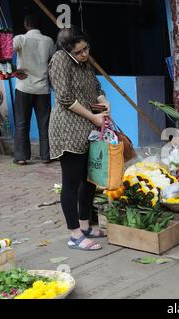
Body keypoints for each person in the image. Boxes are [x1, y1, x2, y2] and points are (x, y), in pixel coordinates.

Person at [48, 26, 111, 251]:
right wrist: (93, 117)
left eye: (86, 49)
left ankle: (85, 225)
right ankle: (74, 234)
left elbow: (95, 88)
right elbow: (65, 98)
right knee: (72, 183)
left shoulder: (84, 63)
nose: (84, 54)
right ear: (67, 51)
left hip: (88, 129)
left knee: (90, 179)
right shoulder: (60, 60)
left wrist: (104, 102)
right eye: (79, 52)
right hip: (67, 130)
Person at [12, 14, 56, 165]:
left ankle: (21, 157)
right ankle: (46, 156)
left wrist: (13, 71)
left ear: (25, 24)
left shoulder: (20, 39)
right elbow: (52, 63)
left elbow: (3, 56)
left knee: (22, 123)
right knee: (45, 123)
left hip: (24, 87)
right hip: (43, 88)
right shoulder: (49, 41)